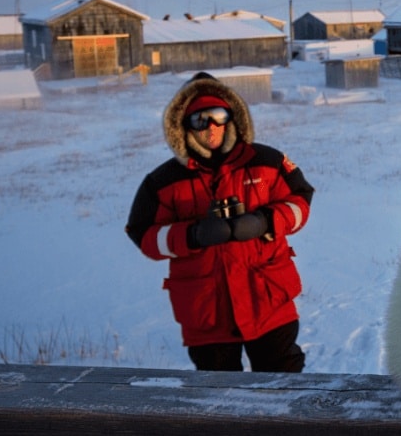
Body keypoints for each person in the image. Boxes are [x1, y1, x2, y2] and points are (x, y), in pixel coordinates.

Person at [126, 72, 314, 372]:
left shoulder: (266, 161)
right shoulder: (162, 182)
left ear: (232, 117)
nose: (211, 126)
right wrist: (192, 235)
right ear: (184, 125)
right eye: (200, 119)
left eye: (218, 115)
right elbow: (144, 235)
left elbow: (300, 202)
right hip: (206, 312)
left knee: (283, 384)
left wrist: (265, 221)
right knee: (219, 392)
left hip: (268, 299)